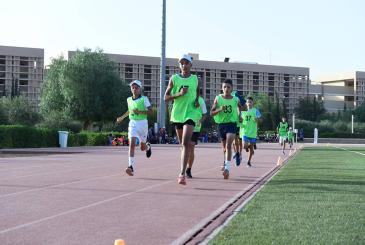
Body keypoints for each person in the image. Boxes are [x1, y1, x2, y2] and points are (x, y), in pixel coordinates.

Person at [164, 54, 200, 185]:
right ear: (179, 65)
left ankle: (182, 173)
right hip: (178, 115)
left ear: (191, 65)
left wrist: (196, 101)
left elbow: (198, 93)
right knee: (182, 145)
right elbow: (165, 98)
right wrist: (179, 94)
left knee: (185, 143)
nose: (184, 65)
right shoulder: (174, 79)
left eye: (186, 63)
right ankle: (185, 163)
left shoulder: (195, 79)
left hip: (191, 114)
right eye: (182, 63)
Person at [116, 80, 152, 176]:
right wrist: (122, 117)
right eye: (133, 87)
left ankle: (148, 146)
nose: (134, 89)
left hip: (143, 123)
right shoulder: (128, 99)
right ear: (131, 89)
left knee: (142, 147)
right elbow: (129, 111)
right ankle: (130, 167)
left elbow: (150, 111)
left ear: (140, 89)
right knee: (131, 143)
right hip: (133, 123)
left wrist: (140, 112)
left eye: (136, 88)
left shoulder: (144, 99)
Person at [211, 79, 242, 179]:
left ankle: (227, 169)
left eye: (228, 87)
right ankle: (226, 161)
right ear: (222, 88)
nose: (226, 89)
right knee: (224, 148)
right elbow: (211, 113)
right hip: (221, 125)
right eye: (224, 87)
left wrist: (239, 115)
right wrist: (220, 109)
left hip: (232, 124)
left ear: (232, 88)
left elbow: (239, 107)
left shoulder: (235, 99)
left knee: (229, 145)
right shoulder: (218, 98)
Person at [186, 95, 207, 178]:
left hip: (195, 127)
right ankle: (183, 167)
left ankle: (189, 169)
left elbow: (205, 114)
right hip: (185, 124)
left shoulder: (201, 100)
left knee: (191, 147)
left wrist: (200, 121)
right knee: (184, 147)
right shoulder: (186, 98)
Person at [240, 96, 261, 167]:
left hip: (253, 132)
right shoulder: (243, 112)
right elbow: (240, 120)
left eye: (250, 102)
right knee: (244, 146)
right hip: (245, 131)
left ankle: (248, 162)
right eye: (248, 102)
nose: (249, 103)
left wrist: (257, 120)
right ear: (246, 103)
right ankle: (248, 147)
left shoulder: (256, 111)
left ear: (253, 103)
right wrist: (240, 123)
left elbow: (260, 119)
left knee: (251, 150)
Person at [232, 90, 246, 166]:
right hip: (232, 122)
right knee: (233, 141)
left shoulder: (237, 97)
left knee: (238, 140)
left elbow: (243, 105)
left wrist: (240, 115)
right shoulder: (226, 97)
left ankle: (239, 154)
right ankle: (236, 153)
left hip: (238, 123)